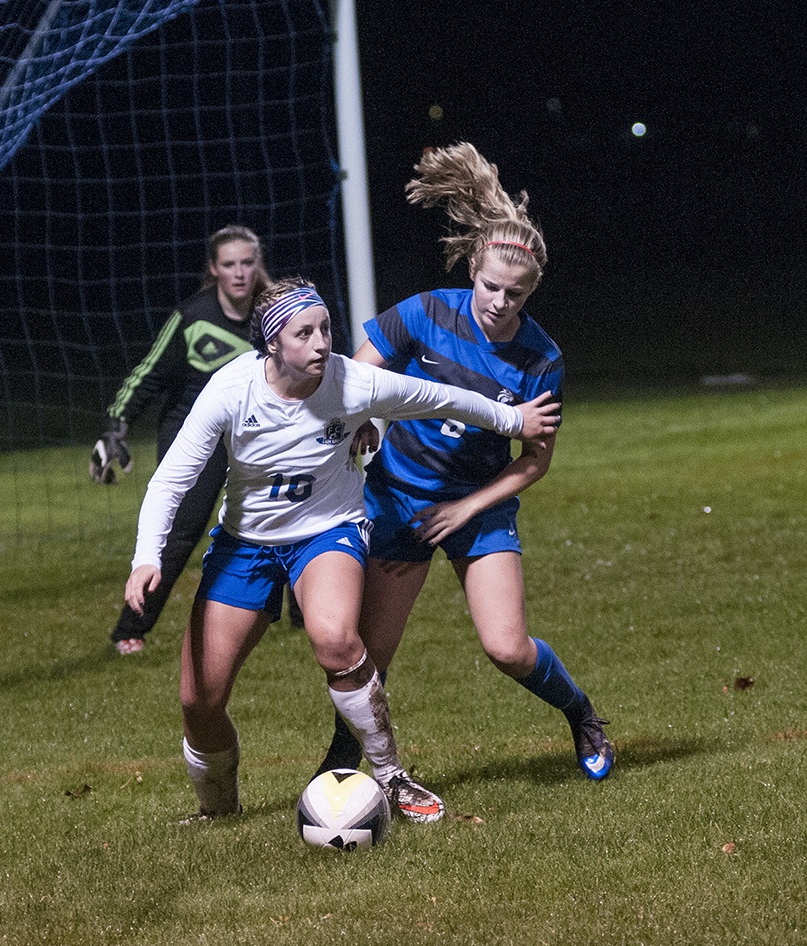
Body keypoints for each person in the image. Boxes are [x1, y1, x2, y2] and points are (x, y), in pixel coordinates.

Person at [124, 277, 561, 822]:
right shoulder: (230, 389)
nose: (321, 343)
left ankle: (391, 776)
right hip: (245, 545)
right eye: (303, 333)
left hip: (328, 532)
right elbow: (170, 483)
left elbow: (440, 398)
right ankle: (219, 812)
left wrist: (512, 419)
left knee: (334, 638)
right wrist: (148, 556)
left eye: (326, 328)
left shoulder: (352, 383)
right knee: (199, 701)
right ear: (271, 344)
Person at [316, 142, 615, 781]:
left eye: (515, 293)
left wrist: (469, 507)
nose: (499, 302)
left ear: (530, 290)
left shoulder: (541, 360)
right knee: (371, 654)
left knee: (506, 647)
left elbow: (535, 461)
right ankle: (344, 762)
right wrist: (365, 417)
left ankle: (581, 713)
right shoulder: (425, 312)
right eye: (490, 286)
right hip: (399, 499)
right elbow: (356, 379)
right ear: (473, 265)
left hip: (477, 507)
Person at [90, 225, 300, 655]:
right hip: (194, 436)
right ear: (213, 269)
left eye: (247, 263)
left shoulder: (275, 314)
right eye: (229, 264)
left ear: (257, 265)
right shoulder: (193, 317)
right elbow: (144, 377)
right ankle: (131, 628)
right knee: (179, 533)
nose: (240, 273)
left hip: (255, 436)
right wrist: (116, 427)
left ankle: (305, 616)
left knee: (293, 512)